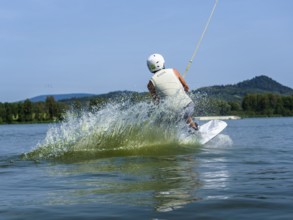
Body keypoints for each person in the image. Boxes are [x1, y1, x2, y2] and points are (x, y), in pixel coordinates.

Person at [146, 53, 199, 131]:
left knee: (169, 116)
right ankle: (193, 127)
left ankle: (171, 134)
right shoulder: (173, 71)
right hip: (189, 106)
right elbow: (187, 88)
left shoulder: (150, 83)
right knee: (185, 113)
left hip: (173, 113)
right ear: (162, 63)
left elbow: (156, 102)